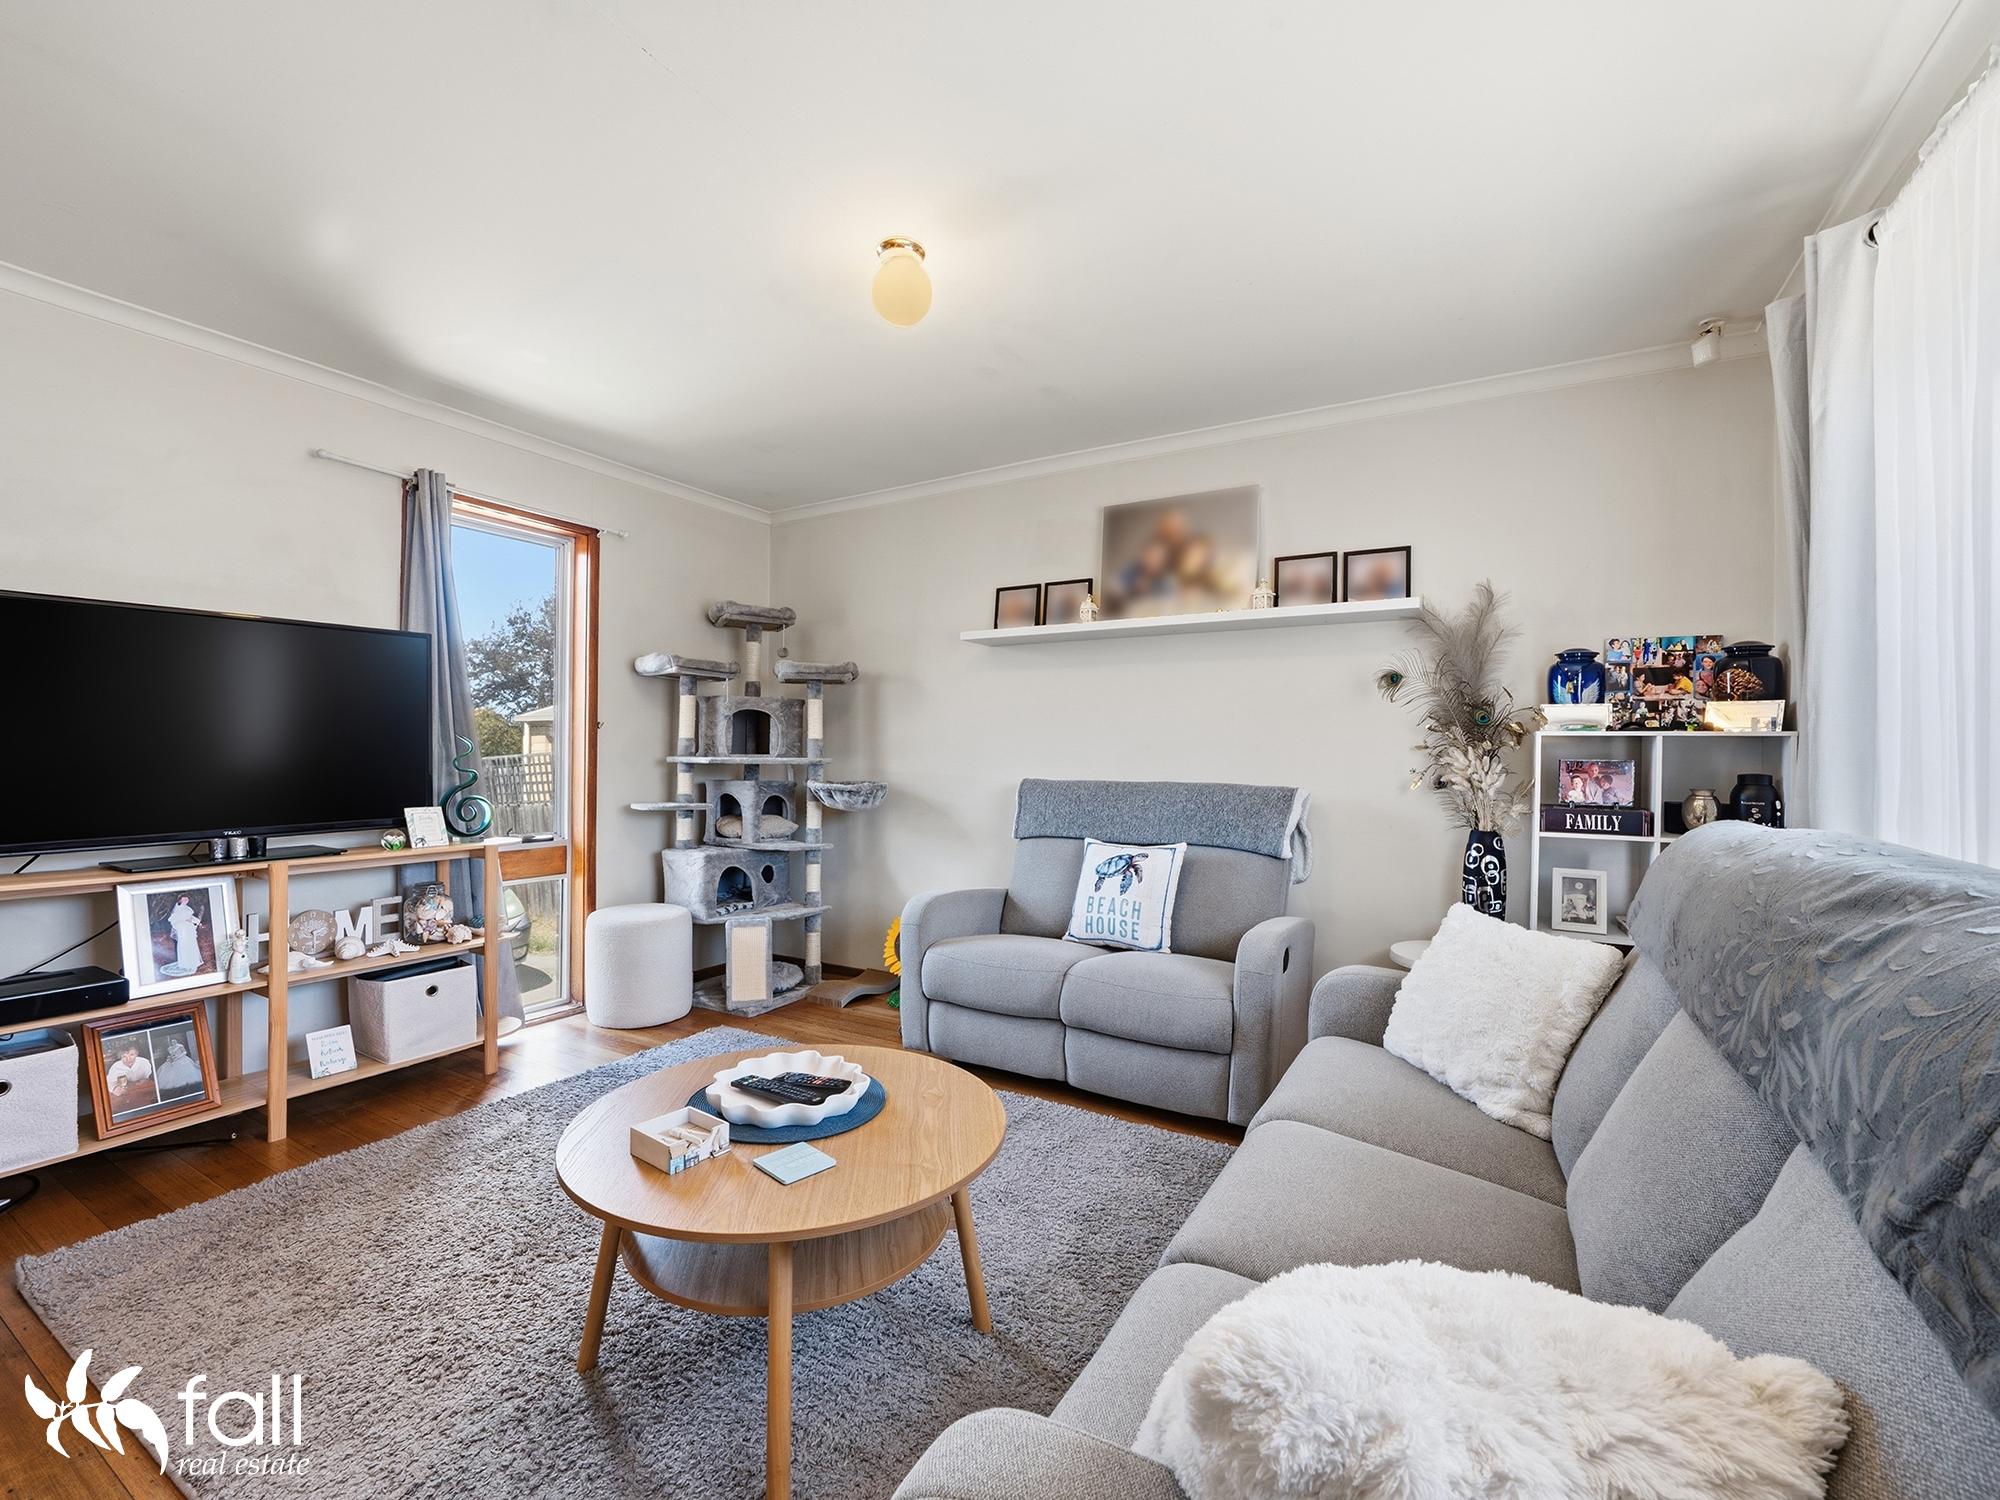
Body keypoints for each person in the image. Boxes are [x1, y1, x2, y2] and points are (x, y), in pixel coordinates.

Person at [162, 893, 204, 977]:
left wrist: (197, 922)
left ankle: (193, 961)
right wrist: (184, 920)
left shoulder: (187, 908)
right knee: (184, 944)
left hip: (189, 929)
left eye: (187, 899)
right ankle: (186, 963)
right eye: (184, 899)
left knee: (191, 944)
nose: (186, 900)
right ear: (180, 900)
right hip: (183, 930)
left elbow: (191, 917)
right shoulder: (177, 909)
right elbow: (173, 920)